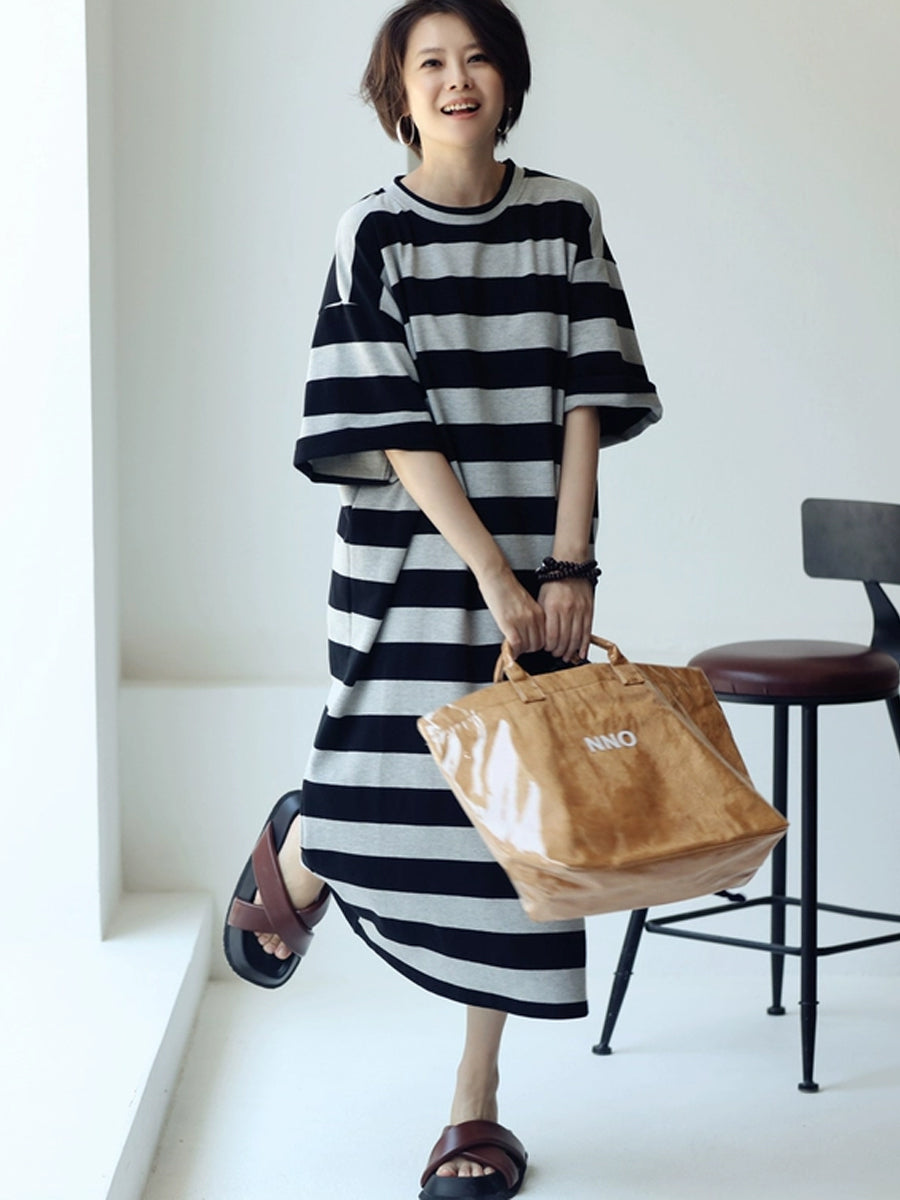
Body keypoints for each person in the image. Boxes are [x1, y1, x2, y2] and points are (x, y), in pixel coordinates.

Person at [224, 1, 661, 1195]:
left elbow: (589, 395)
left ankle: (475, 1106)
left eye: (476, 59)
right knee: (382, 778)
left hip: (541, 560)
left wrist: (568, 566)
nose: (456, 79)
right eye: (431, 63)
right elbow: (390, 423)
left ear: (508, 81)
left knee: (513, 833)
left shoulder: (566, 215)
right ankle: (309, 843)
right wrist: (490, 571)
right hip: (407, 562)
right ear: (399, 93)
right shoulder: (371, 229)